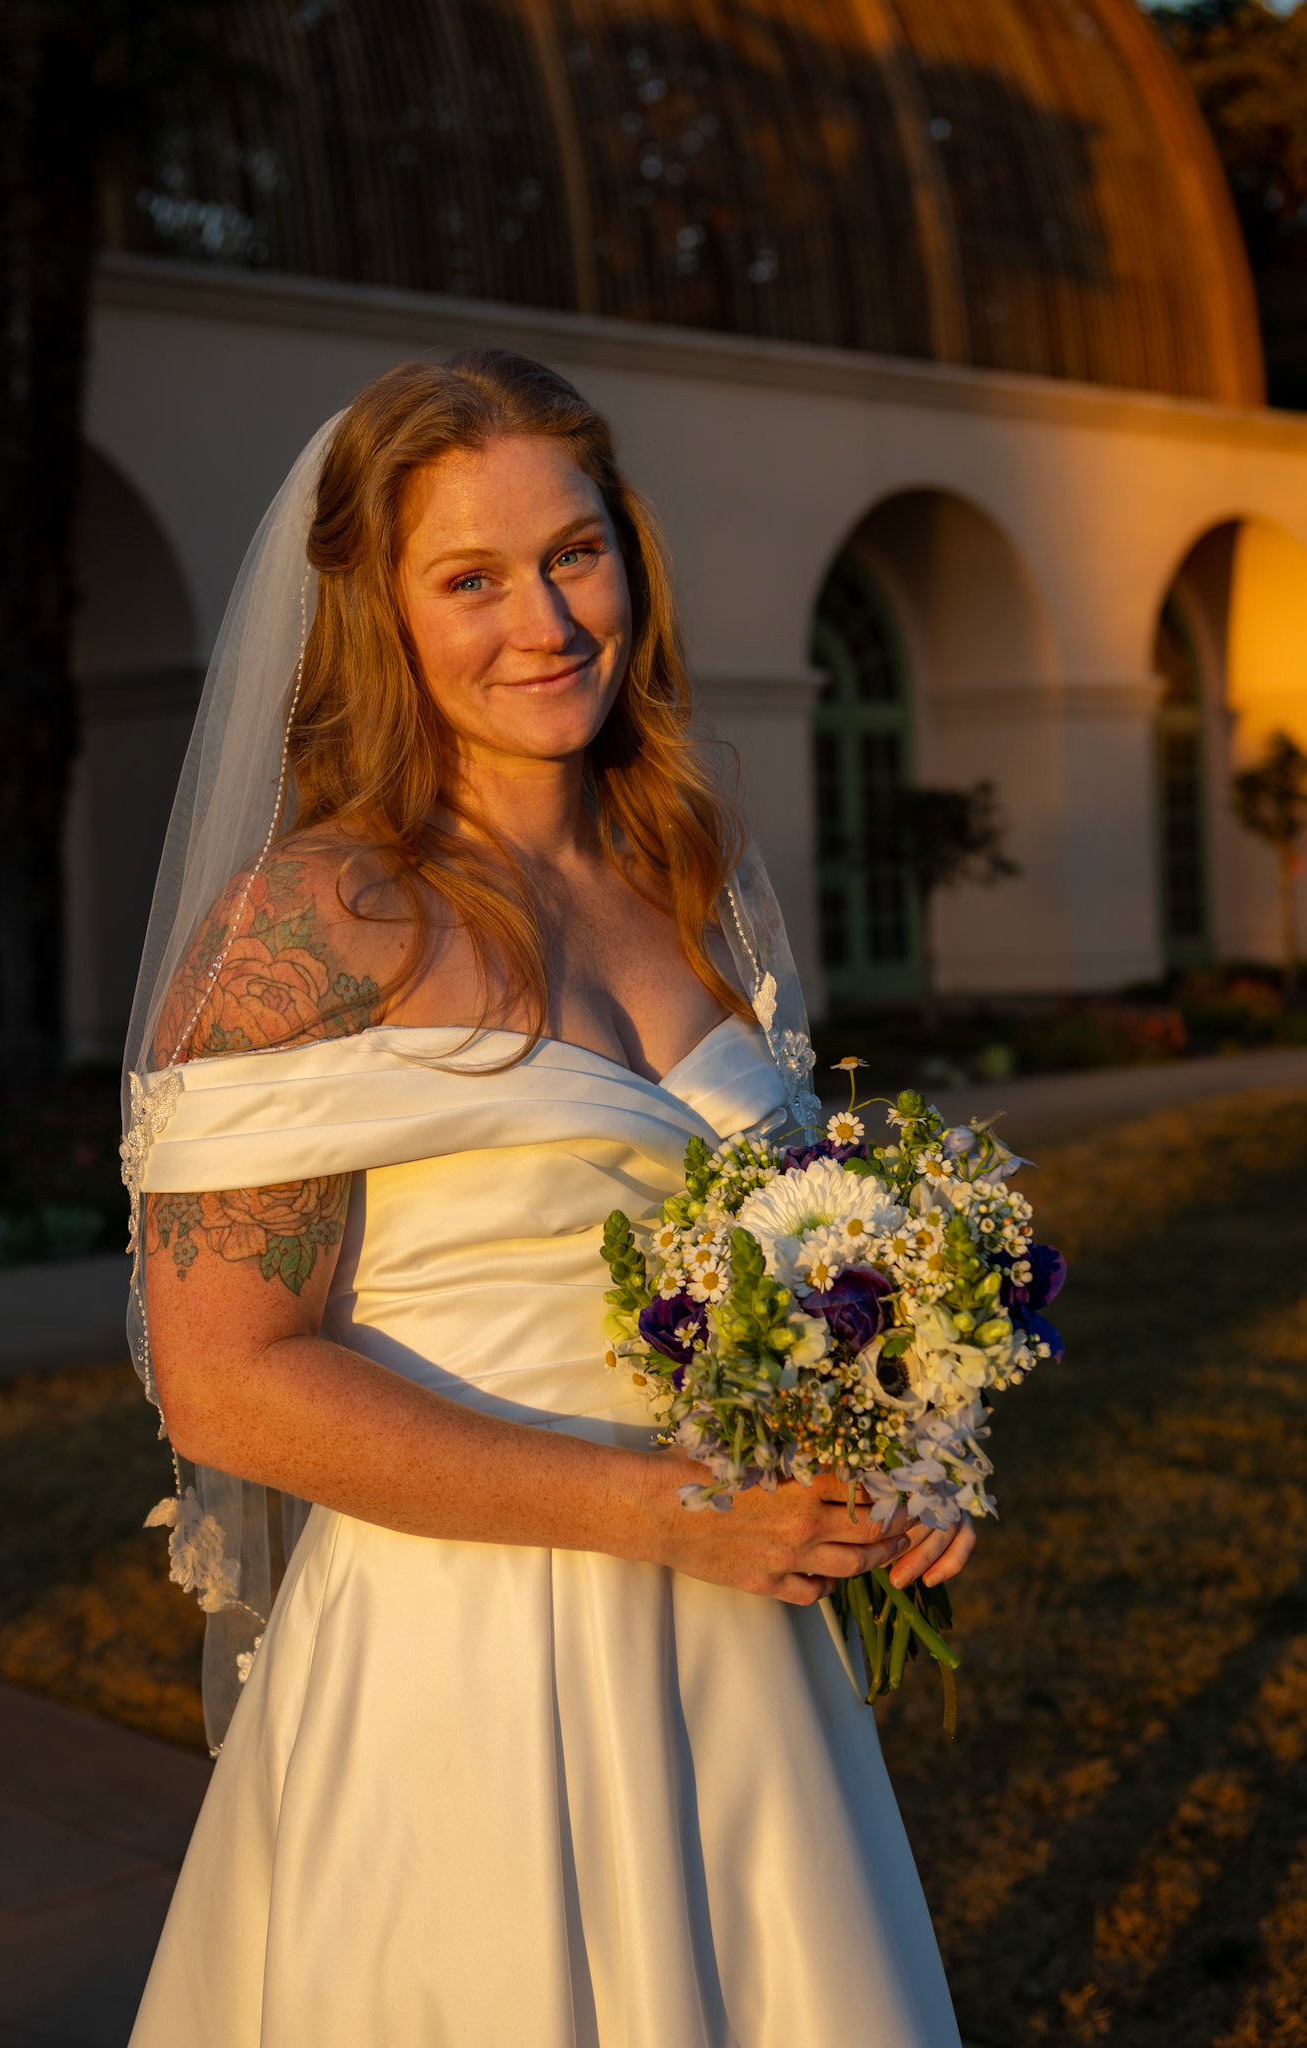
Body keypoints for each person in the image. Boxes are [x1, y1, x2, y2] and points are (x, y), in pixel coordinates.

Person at [124, 349, 971, 2046]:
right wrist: (658, 1513)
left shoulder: (684, 866)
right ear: (379, 612)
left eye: (574, 552)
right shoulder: (309, 928)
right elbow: (226, 1381)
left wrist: (901, 1426)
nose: (547, 620)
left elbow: (785, 1241)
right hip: (468, 1657)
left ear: (628, 557)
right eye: (471, 578)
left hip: (743, 1654)